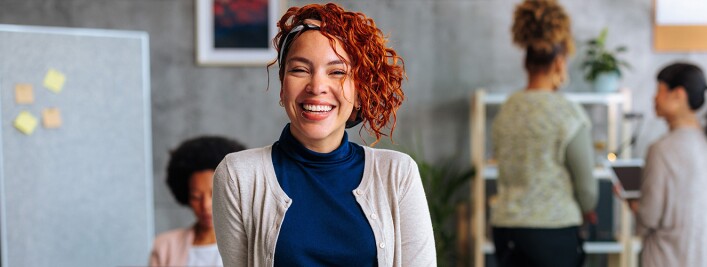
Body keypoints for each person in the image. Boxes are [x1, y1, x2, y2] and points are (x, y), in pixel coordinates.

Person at [212, 3, 436, 267]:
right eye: (300, 70)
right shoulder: (239, 175)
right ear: (282, 88)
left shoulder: (397, 174)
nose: (317, 86)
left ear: (358, 92)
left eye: (337, 72)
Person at [489, 1, 598, 266]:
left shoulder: (508, 109)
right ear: (560, 62)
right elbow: (587, 189)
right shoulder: (567, 113)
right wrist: (587, 210)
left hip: (506, 229)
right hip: (554, 231)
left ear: (526, 62)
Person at [633, 62, 707, 267]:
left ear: (679, 95)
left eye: (660, 91)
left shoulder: (661, 150)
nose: (654, 98)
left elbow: (649, 218)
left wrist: (633, 204)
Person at [149, 136, 246, 266]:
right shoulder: (164, 247)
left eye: (214, 194)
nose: (205, 205)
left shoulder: (252, 244)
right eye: (196, 197)